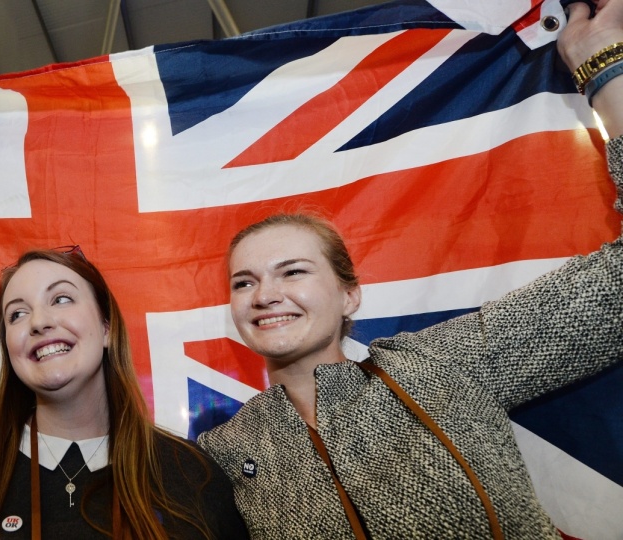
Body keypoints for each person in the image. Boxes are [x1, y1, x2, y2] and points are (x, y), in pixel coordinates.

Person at [197, 2, 623, 538]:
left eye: (294, 272)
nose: (265, 294)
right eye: (244, 281)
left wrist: (603, 65)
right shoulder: (225, 453)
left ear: (350, 295)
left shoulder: (443, 366)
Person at [0, 248, 248, 539]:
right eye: (17, 314)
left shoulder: (192, 474)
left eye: (61, 298)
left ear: (106, 327)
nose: (39, 322)